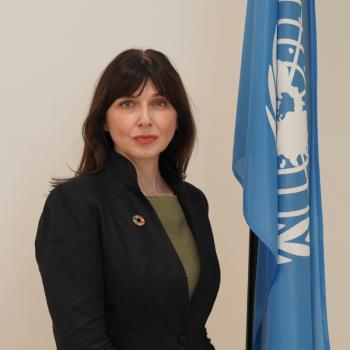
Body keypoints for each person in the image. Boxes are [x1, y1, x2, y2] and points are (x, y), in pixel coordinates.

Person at [35, 48, 221, 350]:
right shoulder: (74, 205)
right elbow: (81, 339)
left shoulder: (193, 202)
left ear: (178, 118)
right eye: (128, 104)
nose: (145, 119)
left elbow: (192, 330)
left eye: (159, 103)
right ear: (105, 121)